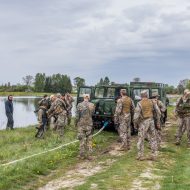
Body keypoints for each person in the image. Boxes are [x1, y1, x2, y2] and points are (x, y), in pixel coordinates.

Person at [134, 90, 160, 161]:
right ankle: (154, 155)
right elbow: (158, 111)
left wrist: (135, 124)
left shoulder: (139, 103)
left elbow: (136, 116)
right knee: (153, 138)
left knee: (141, 138)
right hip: (151, 121)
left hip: (143, 122)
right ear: (147, 95)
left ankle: (140, 155)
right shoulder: (152, 102)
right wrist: (158, 121)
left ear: (141, 95)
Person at [75, 94, 95, 160]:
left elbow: (77, 116)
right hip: (89, 123)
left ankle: (81, 155)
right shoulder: (92, 105)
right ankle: (90, 155)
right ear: (89, 98)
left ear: (83, 98)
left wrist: (76, 123)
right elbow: (92, 114)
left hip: (81, 124)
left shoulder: (79, 105)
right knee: (89, 139)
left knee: (81, 139)